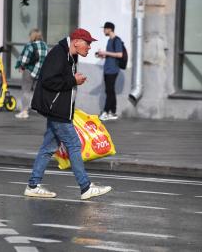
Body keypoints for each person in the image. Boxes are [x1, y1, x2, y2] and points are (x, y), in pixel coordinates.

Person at [26, 28, 112, 200]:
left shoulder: (69, 55)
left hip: (58, 109)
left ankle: (33, 185)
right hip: (57, 110)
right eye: (87, 43)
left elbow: (58, 79)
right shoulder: (59, 54)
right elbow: (48, 80)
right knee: (73, 145)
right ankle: (85, 187)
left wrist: (73, 79)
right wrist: (73, 80)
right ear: (76, 41)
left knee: (48, 149)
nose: (89, 47)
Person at [14, 29, 48, 119]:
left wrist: (21, 67)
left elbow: (24, 60)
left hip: (29, 71)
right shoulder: (45, 45)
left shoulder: (30, 46)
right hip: (40, 72)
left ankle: (24, 111)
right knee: (39, 91)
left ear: (32, 36)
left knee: (26, 91)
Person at [96, 22, 123, 121]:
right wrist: (102, 55)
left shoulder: (117, 40)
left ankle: (106, 112)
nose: (103, 31)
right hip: (107, 69)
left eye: (104, 29)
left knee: (109, 91)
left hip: (113, 70)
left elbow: (120, 54)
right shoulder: (109, 40)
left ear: (109, 29)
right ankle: (113, 112)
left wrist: (105, 52)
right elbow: (112, 54)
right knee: (110, 91)